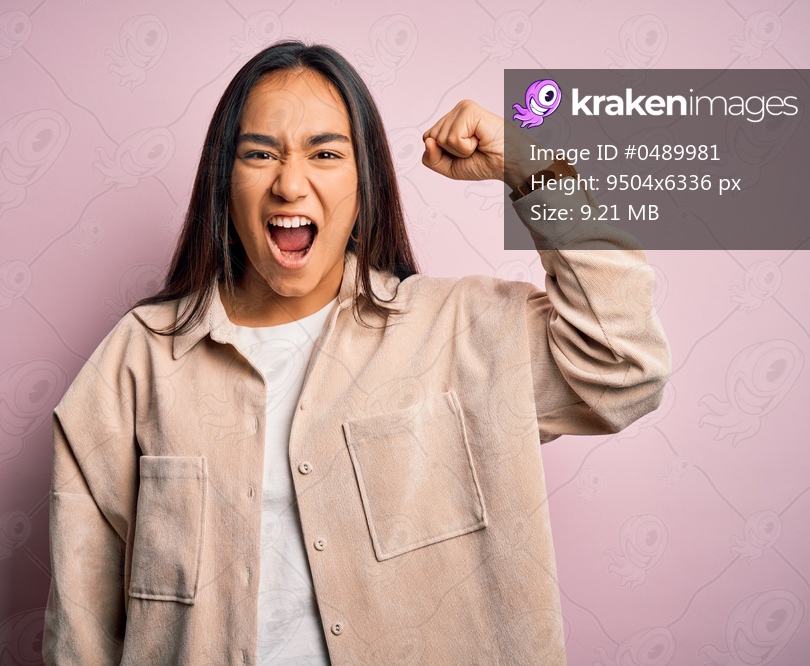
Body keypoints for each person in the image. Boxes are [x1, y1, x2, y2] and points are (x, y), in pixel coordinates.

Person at [43, 41, 670, 665]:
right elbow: (80, 629)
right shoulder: (137, 361)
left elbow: (623, 369)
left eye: (325, 153)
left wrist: (533, 170)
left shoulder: (462, 334)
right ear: (222, 183)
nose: (290, 183)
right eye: (260, 154)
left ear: (365, 183)